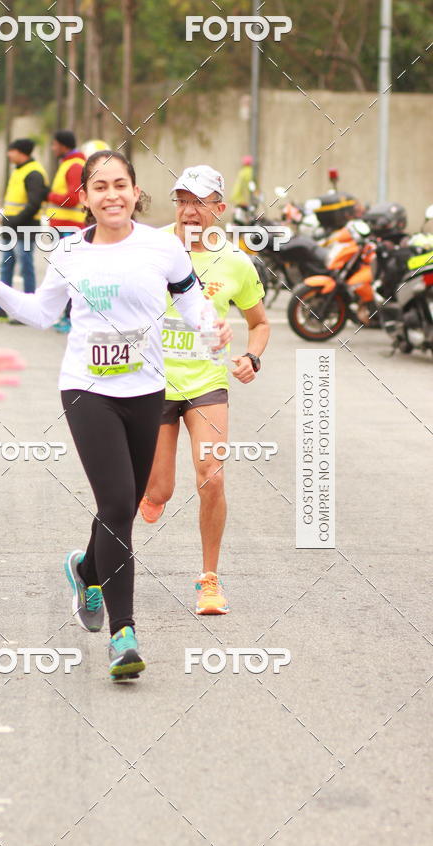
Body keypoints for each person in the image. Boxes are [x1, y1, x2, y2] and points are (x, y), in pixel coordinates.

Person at [0, 150, 231, 682]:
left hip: (148, 389)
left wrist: (212, 329)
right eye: (99, 186)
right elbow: (41, 313)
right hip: (87, 389)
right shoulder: (70, 253)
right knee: (119, 502)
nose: (111, 195)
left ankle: (85, 569)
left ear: (135, 192)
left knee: (121, 504)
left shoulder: (163, 247)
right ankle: (124, 633)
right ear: (84, 198)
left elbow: (192, 303)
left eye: (120, 184)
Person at [139, 165, 270, 614]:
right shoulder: (150, 246)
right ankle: (151, 491)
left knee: (211, 476)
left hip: (206, 383)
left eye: (199, 202)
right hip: (153, 381)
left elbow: (259, 323)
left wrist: (252, 357)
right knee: (160, 492)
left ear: (219, 208)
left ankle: (209, 580)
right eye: (181, 200)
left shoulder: (235, 261)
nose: (189, 211)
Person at [0, 138, 49, 322]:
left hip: (24, 228)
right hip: (11, 227)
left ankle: (29, 310)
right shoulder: (19, 170)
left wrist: (14, 221)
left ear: (21, 152)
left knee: (25, 268)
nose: (8, 154)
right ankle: (1, 308)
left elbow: (34, 204)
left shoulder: (34, 173)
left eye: (11, 151)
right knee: (6, 267)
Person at [45, 130, 86, 333]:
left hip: (69, 228)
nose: (52, 148)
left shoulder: (75, 166)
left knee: (70, 274)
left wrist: (50, 195)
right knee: (62, 274)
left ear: (62, 145)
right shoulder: (68, 164)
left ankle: (71, 318)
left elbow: (73, 198)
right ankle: (66, 316)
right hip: (62, 227)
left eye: (54, 145)